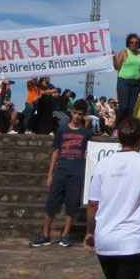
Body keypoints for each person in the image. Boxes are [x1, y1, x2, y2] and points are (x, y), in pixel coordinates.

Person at [85, 118, 140, 279]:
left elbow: (92, 204)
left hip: (105, 238)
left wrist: (90, 231)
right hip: (131, 240)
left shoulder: (103, 164)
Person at [30, 99, 92, 248]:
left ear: (84, 115)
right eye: (75, 113)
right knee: (52, 202)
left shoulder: (87, 133)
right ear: (71, 112)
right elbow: (55, 152)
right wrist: (50, 174)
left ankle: (65, 235)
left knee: (72, 204)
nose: (77, 116)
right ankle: (45, 234)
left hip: (77, 171)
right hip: (61, 169)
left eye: (80, 114)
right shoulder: (62, 130)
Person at [113, 33, 140, 129]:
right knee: (123, 107)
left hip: (136, 84)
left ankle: (126, 129)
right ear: (128, 43)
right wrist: (114, 58)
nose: (134, 44)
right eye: (131, 42)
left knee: (131, 109)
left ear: (139, 44)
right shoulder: (124, 52)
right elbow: (116, 67)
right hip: (124, 82)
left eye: (136, 42)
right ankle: (116, 128)